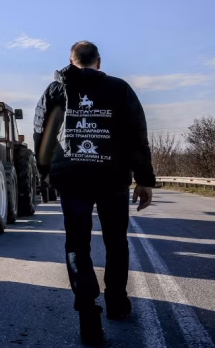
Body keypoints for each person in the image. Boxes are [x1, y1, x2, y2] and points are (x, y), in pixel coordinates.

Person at [34, 41, 155, 346]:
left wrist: (45, 170)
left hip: (72, 177)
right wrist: (144, 179)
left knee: (77, 245)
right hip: (111, 176)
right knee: (116, 242)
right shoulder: (119, 88)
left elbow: (41, 130)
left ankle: (88, 315)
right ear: (98, 62)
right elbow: (135, 134)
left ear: (70, 61)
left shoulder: (54, 90)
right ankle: (116, 302)